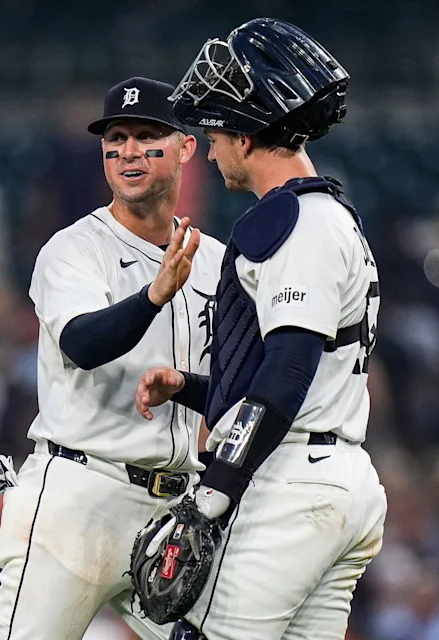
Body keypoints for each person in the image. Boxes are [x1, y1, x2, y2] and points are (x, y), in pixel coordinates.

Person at [134, 19, 387, 640]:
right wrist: (194, 388)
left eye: (216, 130)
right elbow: (297, 367)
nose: (212, 147)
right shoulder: (328, 214)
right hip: (336, 475)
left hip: (289, 484)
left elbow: (289, 372)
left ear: (246, 134)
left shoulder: (293, 222)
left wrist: (214, 492)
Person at [0, 76, 225, 640]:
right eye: (115, 138)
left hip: (174, 508)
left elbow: (236, 385)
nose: (129, 152)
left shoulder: (215, 262)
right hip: (77, 495)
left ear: (186, 147)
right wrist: (152, 297)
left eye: (148, 136)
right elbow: (82, 344)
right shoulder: (73, 249)